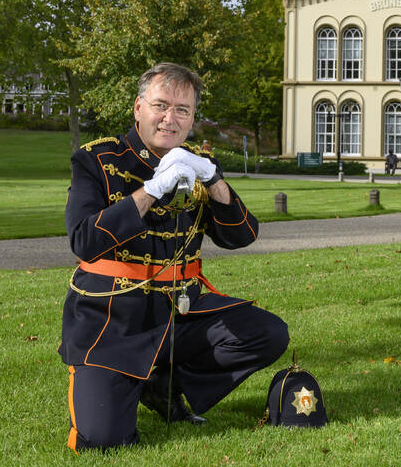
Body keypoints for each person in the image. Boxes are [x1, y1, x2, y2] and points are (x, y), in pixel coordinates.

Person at [60, 62, 288, 452]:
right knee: (103, 441)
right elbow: (84, 240)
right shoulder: (97, 160)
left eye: (182, 110)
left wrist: (214, 180)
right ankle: (132, 379)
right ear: (137, 107)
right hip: (113, 318)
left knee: (266, 332)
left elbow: (242, 236)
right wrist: (152, 190)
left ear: (192, 117)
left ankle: (162, 384)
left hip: (180, 311)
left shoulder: (195, 166)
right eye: (160, 105)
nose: (170, 118)